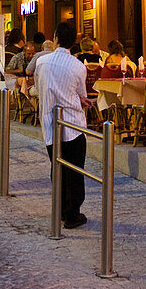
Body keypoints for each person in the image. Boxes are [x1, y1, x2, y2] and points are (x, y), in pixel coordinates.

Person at [37, 20, 92, 229]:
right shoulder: (78, 66)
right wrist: (81, 100)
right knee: (75, 170)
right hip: (73, 124)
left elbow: (42, 86)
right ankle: (73, 214)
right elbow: (79, 94)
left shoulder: (42, 62)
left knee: (57, 167)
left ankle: (60, 209)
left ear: (56, 38)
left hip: (50, 123)